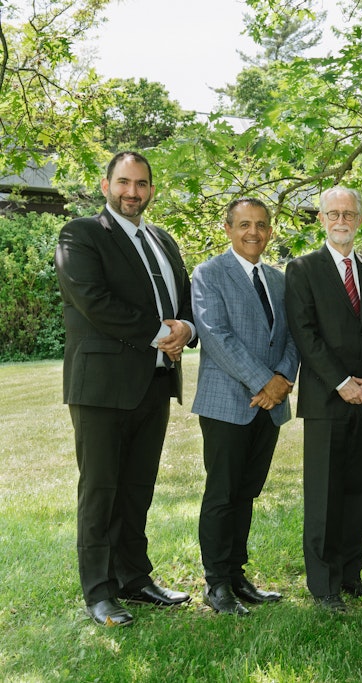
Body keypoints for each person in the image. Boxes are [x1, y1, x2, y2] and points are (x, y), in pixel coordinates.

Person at [55, 151, 194, 627]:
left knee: (137, 488)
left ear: (151, 189)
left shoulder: (163, 240)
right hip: (101, 387)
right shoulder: (80, 235)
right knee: (100, 490)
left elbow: (185, 300)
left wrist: (186, 331)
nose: (132, 192)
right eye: (123, 182)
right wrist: (162, 331)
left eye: (141, 184)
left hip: (154, 383)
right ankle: (98, 591)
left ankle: (134, 578)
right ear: (105, 184)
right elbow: (94, 301)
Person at [191, 198, 299, 616]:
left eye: (260, 225)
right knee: (222, 493)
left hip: (268, 406)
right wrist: (263, 382)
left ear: (270, 231)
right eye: (243, 225)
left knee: (247, 492)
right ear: (228, 228)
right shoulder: (209, 274)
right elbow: (216, 336)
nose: (253, 232)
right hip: (227, 404)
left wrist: (282, 381)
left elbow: (292, 337)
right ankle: (216, 584)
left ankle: (237, 575)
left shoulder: (279, 280)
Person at [285, 186, 362, 613]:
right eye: (333, 213)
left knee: (358, 490)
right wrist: (342, 380)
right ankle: (324, 584)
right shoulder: (303, 269)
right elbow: (305, 334)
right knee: (325, 493)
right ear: (322, 220)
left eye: (349, 213)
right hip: (327, 398)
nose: (341, 220)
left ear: (359, 219)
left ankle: (351, 575)